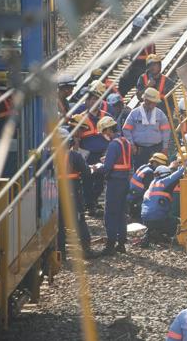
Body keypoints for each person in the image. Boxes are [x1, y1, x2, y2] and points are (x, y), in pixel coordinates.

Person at [93, 116, 132, 255]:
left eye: (105, 131)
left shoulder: (113, 144)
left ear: (109, 129)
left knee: (110, 213)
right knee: (121, 213)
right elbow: (121, 161)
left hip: (115, 182)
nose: (105, 135)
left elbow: (108, 167)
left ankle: (110, 245)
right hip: (125, 181)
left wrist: (97, 168)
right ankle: (121, 243)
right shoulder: (125, 142)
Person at [55, 128, 96, 260]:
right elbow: (86, 172)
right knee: (79, 220)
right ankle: (86, 250)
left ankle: (61, 254)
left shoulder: (50, 156)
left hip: (55, 191)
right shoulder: (74, 156)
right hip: (72, 190)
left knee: (59, 223)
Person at [76, 83, 112, 216]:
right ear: (86, 101)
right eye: (90, 99)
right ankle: (90, 205)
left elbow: (114, 132)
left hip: (103, 154)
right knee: (87, 181)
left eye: (96, 99)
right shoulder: (81, 118)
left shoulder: (106, 116)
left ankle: (94, 202)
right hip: (88, 155)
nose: (93, 102)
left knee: (100, 181)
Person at [122, 87, 171, 169]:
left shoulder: (160, 114)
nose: (155, 104)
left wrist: (165, 147)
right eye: (153, 102)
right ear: (146, 101)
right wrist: (132, 145)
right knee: (140, 171)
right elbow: (126, 129)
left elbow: (166, 131)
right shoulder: (134, 113)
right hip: (140, 150)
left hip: (156, 149)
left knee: (156, 171)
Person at [140, 163, 186, 247]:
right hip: (158, 217)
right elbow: (175, 176)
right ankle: (164, 237)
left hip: (145, 219)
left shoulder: (152, 184)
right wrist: (184, 166)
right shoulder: (163, 182)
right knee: (178, 223)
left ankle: (152, 233)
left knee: (159, 222)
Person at [119, 15, 156, 96]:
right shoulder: (133, 39)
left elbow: (153, 59)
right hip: (134, 69)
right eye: (134, 27)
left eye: (136, 28)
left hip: (145, 69)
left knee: (146, 87)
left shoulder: (148, 42)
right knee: (123, 81)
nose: (133, 30)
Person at [126, 152, 168, 221]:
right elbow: (150, 191)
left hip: (131, 196)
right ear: (155, 163)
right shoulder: (150, 173)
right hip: (136, 200)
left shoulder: (144, 166)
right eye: (161, 165)